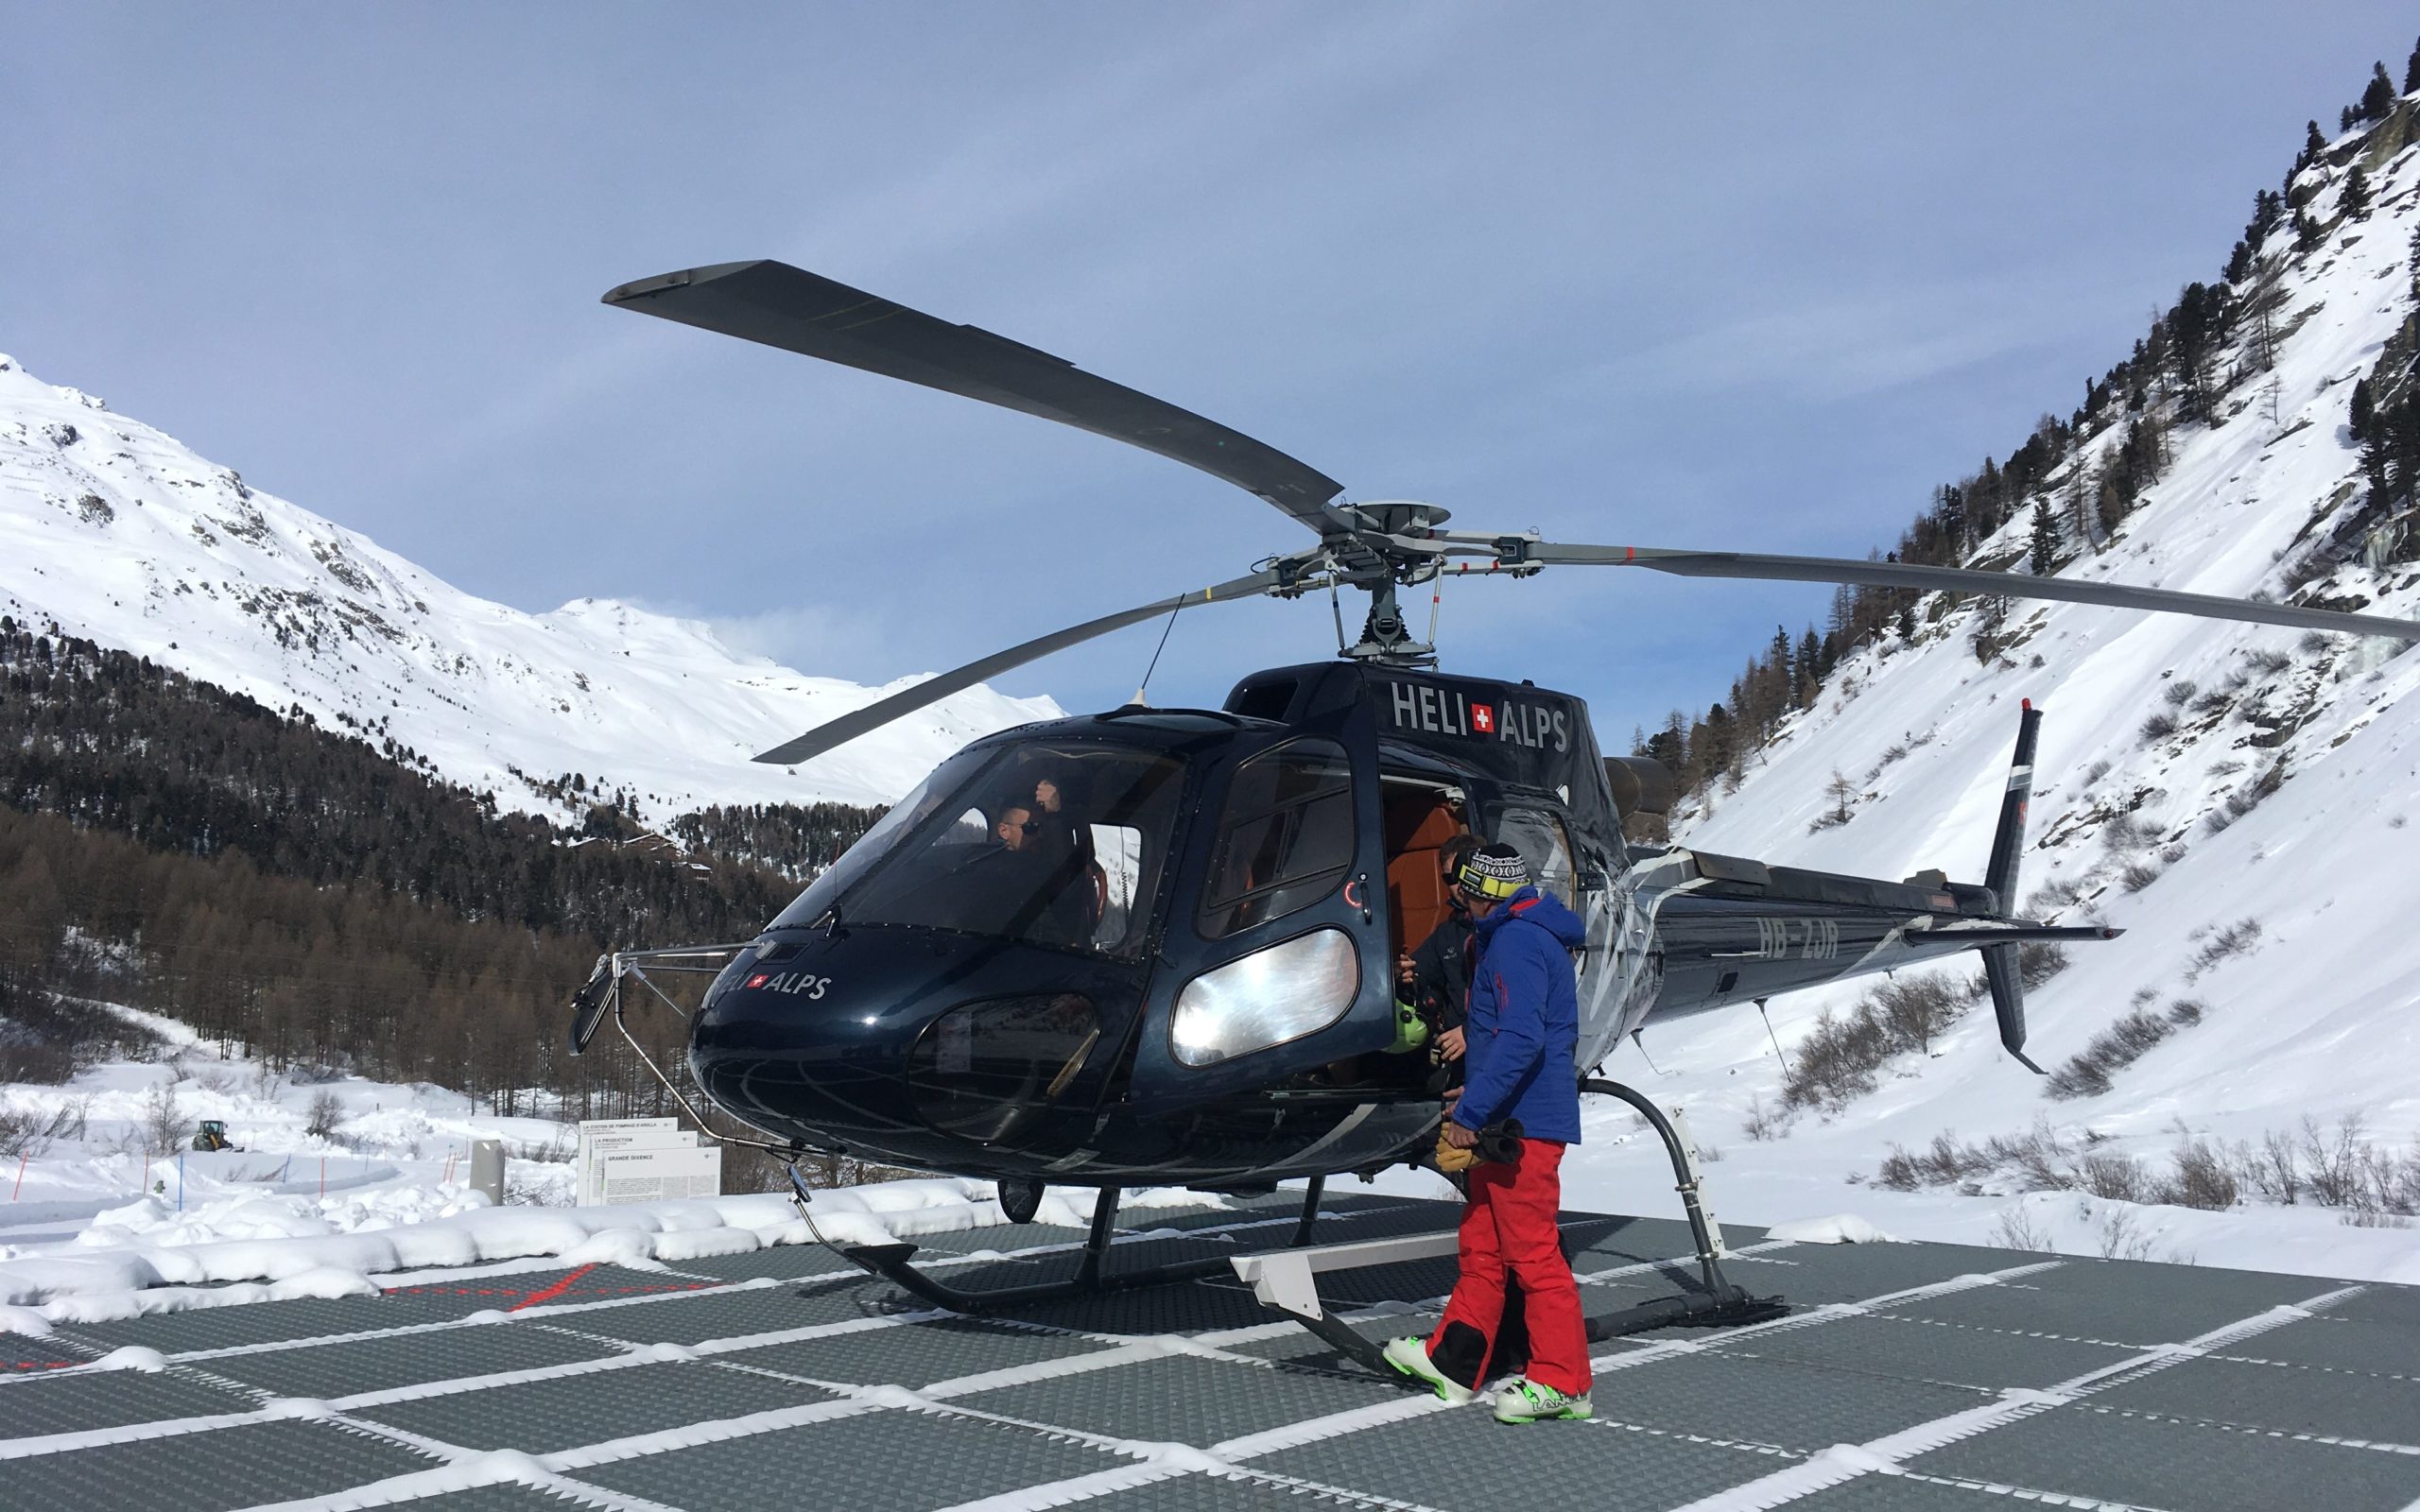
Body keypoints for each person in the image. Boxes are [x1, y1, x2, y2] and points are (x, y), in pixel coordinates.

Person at [1384, 842, 1592, 1423]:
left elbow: (1522, 1039)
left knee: (1532, 1254)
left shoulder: (1518, 942)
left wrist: (1472, 1115)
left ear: (1481, 894)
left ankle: (1565, 1381)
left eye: (1464, 891)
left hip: (1524, 1125)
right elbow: (1504, 1035)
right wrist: (1476, 1097)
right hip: (1504, 1116)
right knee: (1483, 1246)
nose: (1459, 900)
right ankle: (1453, 1361)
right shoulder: (1508, 936)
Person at [1396, 833, 1481, 1079]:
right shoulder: (1447, 933)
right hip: (1458, 1051)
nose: (1459, 885)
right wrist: (1401, 973)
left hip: (1491, 1045)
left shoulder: (1505, 929)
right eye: (1449, 878)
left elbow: (1516, 1007)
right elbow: (1419, 969)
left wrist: (1470, 1033)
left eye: (1464, 873)